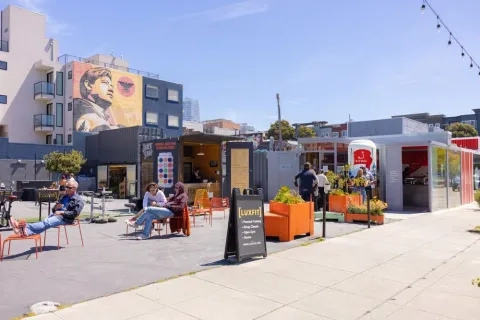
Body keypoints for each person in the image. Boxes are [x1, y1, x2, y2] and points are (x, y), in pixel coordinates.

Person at [10, 180, 84, 236]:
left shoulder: (79, 200)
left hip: (66, 218)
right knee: (45, 224)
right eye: (66, 187)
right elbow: (54, 210)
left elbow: (74, 214)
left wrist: (62, 212)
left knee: (46, 223)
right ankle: (25, 232)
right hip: (57, 215)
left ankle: (22, 226)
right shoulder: (64, 197)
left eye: (69, 187)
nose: (67, 189)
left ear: (74, 188)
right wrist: (56, 207)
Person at [73, 67, 123, 132]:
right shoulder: (79, 105)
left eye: (111, 86)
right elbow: (95, 122)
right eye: (105, 83)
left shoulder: (102, 115)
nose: (111, 89)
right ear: (88, 85)